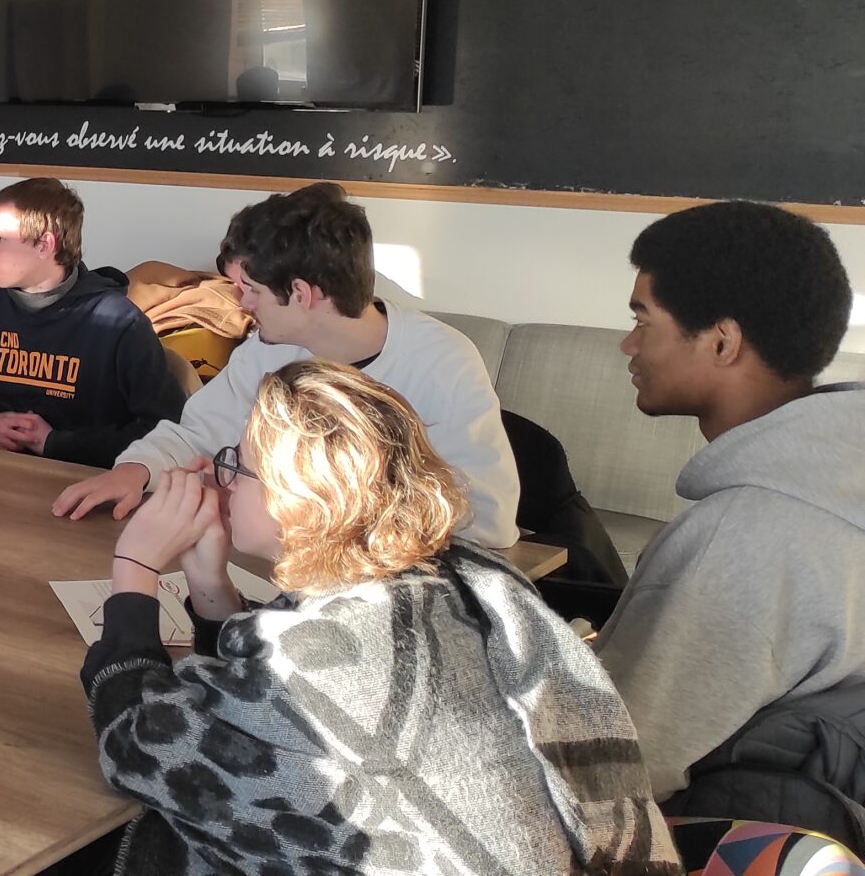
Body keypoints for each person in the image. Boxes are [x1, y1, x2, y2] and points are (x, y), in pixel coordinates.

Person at [81, 361, 680, 875]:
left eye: (240, 463)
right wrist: (209, 582)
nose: (220, 477)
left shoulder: (325, 648)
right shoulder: (468, 575)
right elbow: (249, 709)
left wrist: (134, 568)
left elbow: (136, 744)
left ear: (300, 498)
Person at [53, 182, 519, 549]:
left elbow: (487, 521)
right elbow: (196, 433)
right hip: (282, 566)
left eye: (250, 288)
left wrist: (301, 512)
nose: (240, 302)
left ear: (301, 294)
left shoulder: (442, 363)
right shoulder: (269, 348)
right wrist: (135, 469)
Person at [595, 201, 865, 801]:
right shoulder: (842, 480)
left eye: (644, 320)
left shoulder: (739, 539)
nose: (627, 344)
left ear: (722, 342)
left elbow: (614, 772)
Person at [0, 178, 183, 467]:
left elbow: (166, 430)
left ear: (44, 244)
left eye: (0, 238)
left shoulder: (119, 323)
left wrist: (55, 443)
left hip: (76, 481)